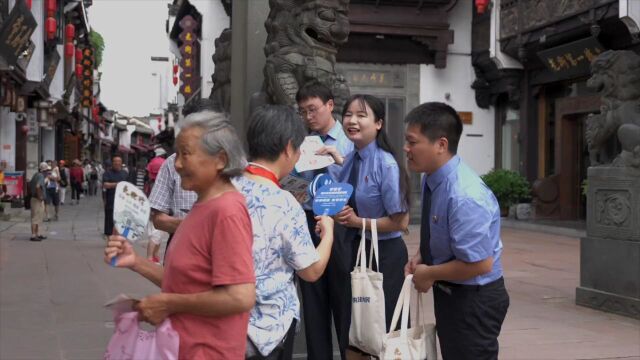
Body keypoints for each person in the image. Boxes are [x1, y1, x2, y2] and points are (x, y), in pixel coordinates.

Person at [104, 112, 256, 358]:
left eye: (186, 154)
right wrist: (135, 262)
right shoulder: (203, 206)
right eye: (177, 155)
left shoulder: (227, 211)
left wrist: (168, 303)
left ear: (220, 159)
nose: (177, 164)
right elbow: (185, 283)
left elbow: (240, 297)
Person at [403, 102, 509, 360]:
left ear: (441, 144)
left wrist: (430, 273)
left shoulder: (465, 195)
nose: (406, 149)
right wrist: (421, 255)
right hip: (451, 290)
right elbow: (438, 228)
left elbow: (481, 264)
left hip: (474, 299)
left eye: (412, 142)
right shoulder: (432, 176)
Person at [234, 105, 335, 359]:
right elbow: (311, 271)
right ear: (289, 148)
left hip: (226, 324)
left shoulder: (226, 187)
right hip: (269, 331)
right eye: (299, 148)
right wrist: (329, 233)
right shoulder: (285, 202)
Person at [325, 95, 411, 356]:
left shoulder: (385, 164)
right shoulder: (352, 157)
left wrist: (355, 221)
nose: (352, 120)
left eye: (361, 115)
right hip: (355, 251)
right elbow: (344, 195)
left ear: (378, 124)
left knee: (383, 329)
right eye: (349, 114)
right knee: (355, 327)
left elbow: (401, 221)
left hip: (384, 257)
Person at [294, 82, 354, 359]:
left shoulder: (349, 141)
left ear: (330, 105)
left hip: (340, 223)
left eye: (313, 109)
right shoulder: (302, 143)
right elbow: (296, 185)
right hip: (309, 222)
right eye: (303, 111)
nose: (309, 116)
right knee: (313, 301)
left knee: (344, 299)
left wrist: (335, 162)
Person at [148, 99, 217, 259]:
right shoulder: (172, 163)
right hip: (181, 248)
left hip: (222, 251)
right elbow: (158, 219)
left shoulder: (233, 162)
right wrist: (192, 225)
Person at [102, 156, 128, 236]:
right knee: (110, 222)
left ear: (121, 163)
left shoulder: (125, 173)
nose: (117, 163)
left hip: (123, 202)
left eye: (119, 161)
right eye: (115, 161)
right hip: (111, 201)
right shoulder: (107, 173)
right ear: (112, 163)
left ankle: (121, 239)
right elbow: (105, 184)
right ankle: (110, 239)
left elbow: (129, 186)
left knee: (122, 222)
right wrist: (119, 184)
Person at [29, 162, 49, 241]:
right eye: (47, 170)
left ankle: (37, 234)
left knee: (38, 217)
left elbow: (31, 184)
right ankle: (34, 235)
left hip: (34, 198)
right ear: (44, 170)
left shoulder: (36, 175)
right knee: (36, 218)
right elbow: (38, 186)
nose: (47, 172)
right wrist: (40, 197)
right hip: (37, 200)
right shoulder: (41, 176)